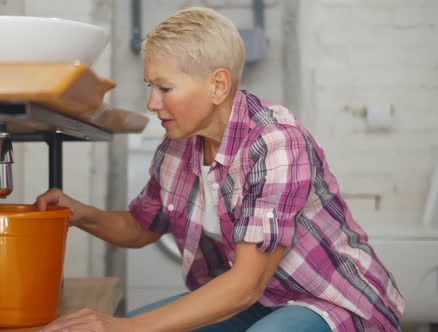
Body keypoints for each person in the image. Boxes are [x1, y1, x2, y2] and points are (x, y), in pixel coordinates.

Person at [36, 7, 404, 332]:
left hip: (332, 302)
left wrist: (123, 327)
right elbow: (141, 226)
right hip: (259, 302)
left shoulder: (276, 143)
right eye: (150, 86)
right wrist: (77, 213)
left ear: (218, 85)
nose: (151, 103)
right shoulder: (176, 147)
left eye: (164, 88)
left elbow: (245, 284)